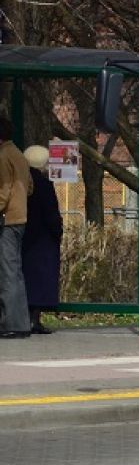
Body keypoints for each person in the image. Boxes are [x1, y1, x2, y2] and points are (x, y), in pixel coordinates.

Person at [0, 116, 34, 338]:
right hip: (20, 217)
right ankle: (21, 322)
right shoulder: (19, 155)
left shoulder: (3, 156)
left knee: (8, 273)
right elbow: (29, 187)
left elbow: (3, 190)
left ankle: (11, 324)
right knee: (16, 272)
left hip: (7, 219)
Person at [22, 145, 62, 334]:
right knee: (41, 280)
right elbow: (51, 213)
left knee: (27, 277)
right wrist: (58, 231)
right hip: (44, 239)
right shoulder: (44, 184)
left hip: (25, 236)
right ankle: (34, 319)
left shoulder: (22, 182)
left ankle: (26, 316)